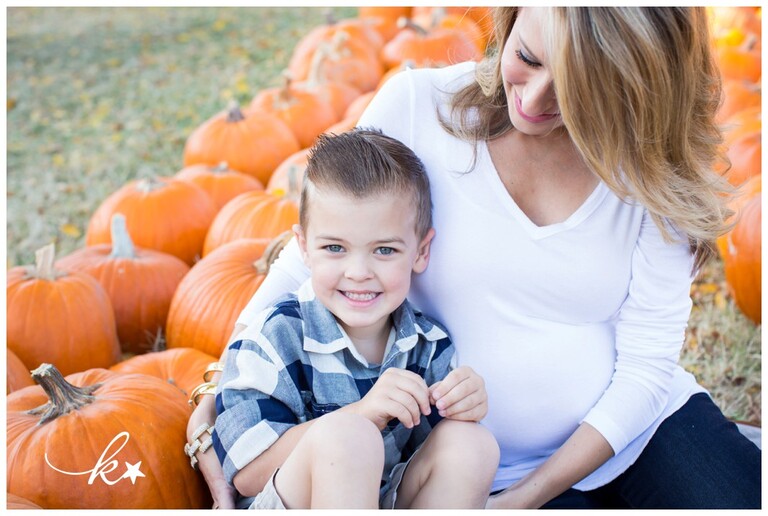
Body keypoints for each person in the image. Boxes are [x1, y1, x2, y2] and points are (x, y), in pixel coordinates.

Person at [188, 7, 761, 509]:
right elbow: (310, 257)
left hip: (634, 433)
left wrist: (523, 500)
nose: (532, 100)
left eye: (577, 90)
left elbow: (646, 368)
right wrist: (221, 386)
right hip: (457, 469)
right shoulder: (418, 109)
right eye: (528, 58)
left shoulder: (651, 168)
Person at [205, 128, 498, 509]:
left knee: (471, 444)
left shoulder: (427, 346)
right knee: (348, 436)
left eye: (384, 250)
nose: (358, 272)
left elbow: (433, 452)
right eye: (334, 248)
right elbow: (246, 472)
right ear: (304, 248)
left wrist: (462, 404)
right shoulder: (273, 338)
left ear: (421, 252)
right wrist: (361, 415)